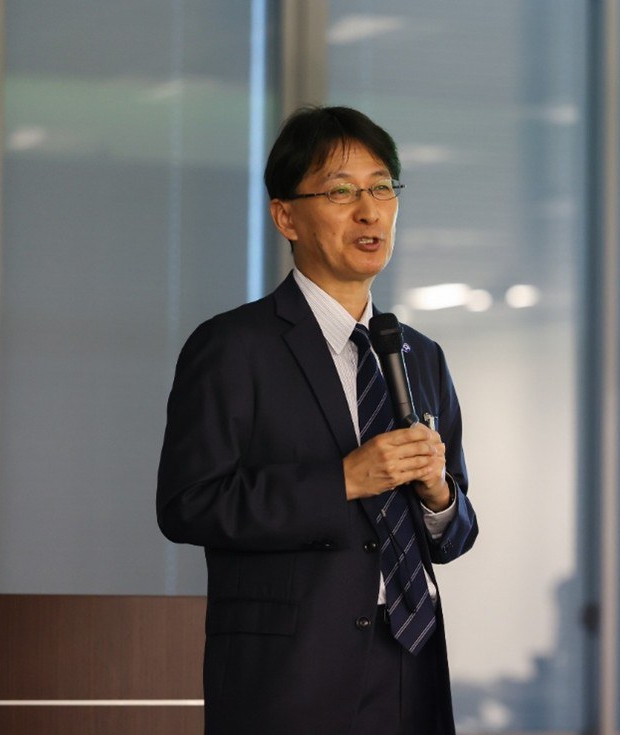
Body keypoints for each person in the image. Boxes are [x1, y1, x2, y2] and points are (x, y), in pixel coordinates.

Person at [156, 106, 478, 734]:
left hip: (409, 665)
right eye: (341, 192)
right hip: (289, 675)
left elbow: (454, 535)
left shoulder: (419, 353)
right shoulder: (234, 346)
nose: (370, 211)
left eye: (382, 188)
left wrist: (438, 494)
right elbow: (188, 505)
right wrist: (344, 480)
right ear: (286, 217)